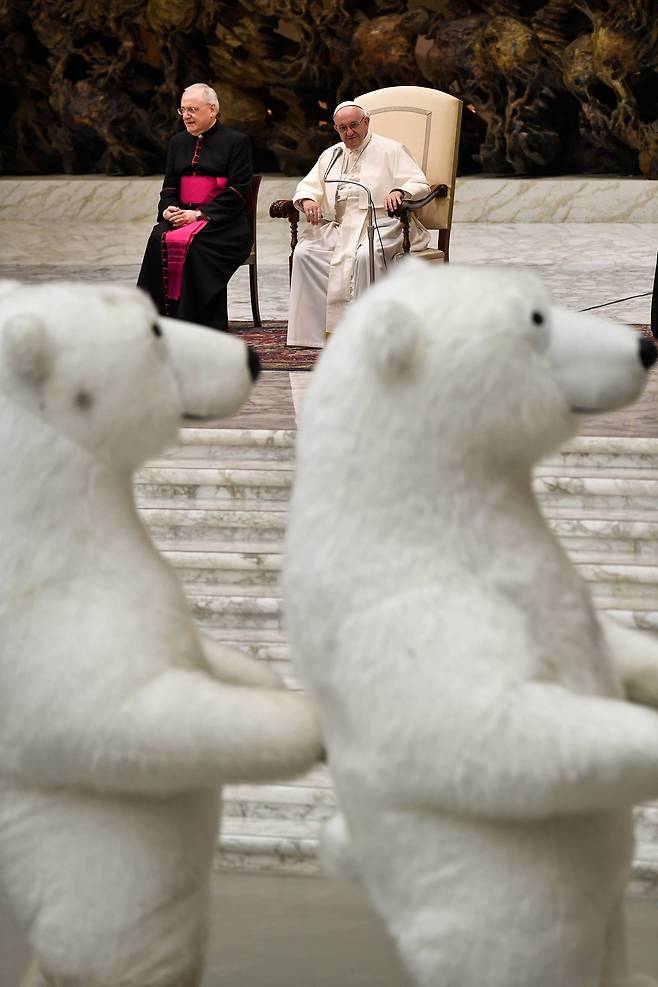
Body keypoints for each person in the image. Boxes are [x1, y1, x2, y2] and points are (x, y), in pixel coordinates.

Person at [286, 100, 431, 348]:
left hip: (382, 223)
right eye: (342, 128)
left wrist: (399, 191)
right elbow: (309, 186)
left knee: (365, 256)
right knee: (305, 252)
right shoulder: (332, 154)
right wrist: (308, 200)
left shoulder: (391, 149)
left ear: (366, 122)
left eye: (354, 125)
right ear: (336, 129)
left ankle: (367, 335)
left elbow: (419, 184)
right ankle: (312, 336)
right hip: (342, 225)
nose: (349, 132)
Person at [137, 83, 252, 331]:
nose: (186, 115)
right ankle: (154, 319)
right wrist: (168, 209)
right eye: (182, 110)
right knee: (158, 237)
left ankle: (197, 321)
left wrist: (199, 214)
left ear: (212, 110)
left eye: (192, 109)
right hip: (182, 215)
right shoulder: (178, 142)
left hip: (223, 223)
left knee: (197, 246)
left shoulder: (237, 142)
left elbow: (237, 191)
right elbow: (169, 189)